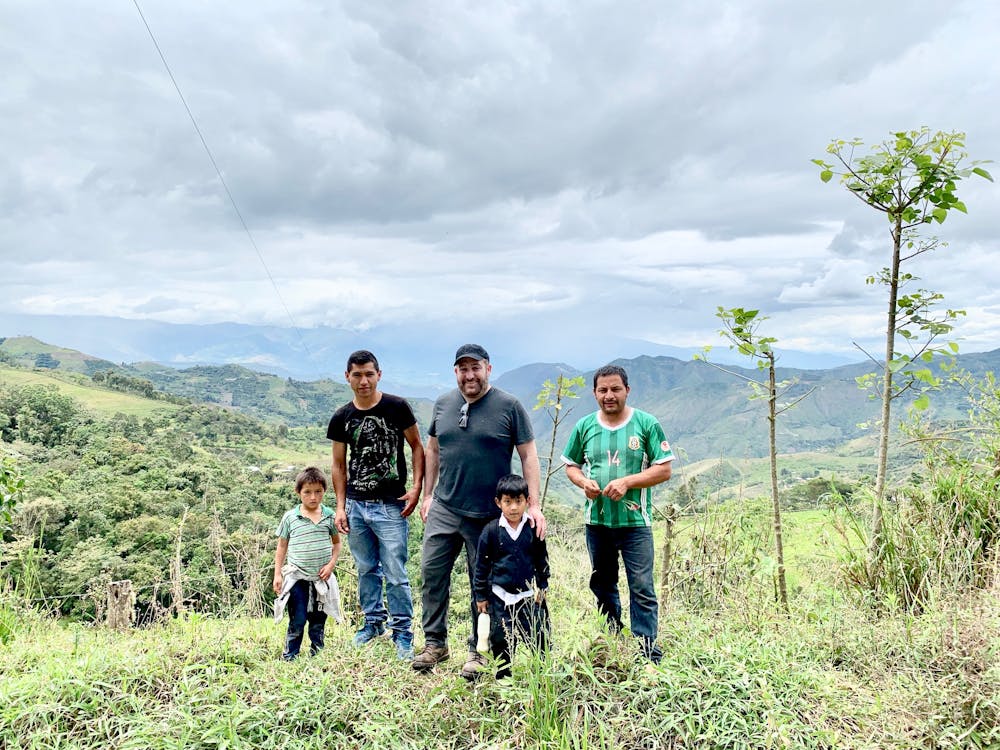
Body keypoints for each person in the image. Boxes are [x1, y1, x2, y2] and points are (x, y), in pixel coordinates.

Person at [413, 344, 546, 678]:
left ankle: (478, 650)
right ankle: (435, 643)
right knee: (431, 573)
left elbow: (528, 455)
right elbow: (433, 450)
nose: (469, 375)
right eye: (463, 369)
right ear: (455, 371)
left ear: (488, 368)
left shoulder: (509, 406)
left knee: (482, 583)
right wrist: (427, 495)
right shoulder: (443, 404)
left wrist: (533, 505)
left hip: (488, 514)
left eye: (475, 368)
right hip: (445, 506)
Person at [561, 364, 674, 663]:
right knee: (602, 582)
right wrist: (583, 482)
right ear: (594, 393)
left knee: (642, 586)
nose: (609, 395)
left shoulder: (646, 423)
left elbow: (664, 469)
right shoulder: (585, 426)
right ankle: (611, 639)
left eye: (615, 389)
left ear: (627, 390)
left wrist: (627, 482)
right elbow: (571, 465)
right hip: (597, 522)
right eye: (603, 390)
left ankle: (647, 651)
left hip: (636, 523)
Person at [328, 350, 425, 661]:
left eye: (369, 374)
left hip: (391, 505)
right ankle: (373, 623)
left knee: (396, 572)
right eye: (357, 375)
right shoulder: (342, 417)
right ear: (347, 377)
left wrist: (416, 488)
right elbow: (338, 464)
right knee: (366, 568)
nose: (364, 381)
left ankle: (403, 633)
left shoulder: (397, 407)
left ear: (379, 375)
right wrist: (340, 506)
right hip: (356, 505)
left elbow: (417, 446)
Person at [473, 474, 550, 680]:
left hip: (528, 596)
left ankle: (542, 678)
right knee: (501, 640)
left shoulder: (532, 529)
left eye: (518, 501)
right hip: (500, 597)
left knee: (539, 635)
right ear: (498, 502)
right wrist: (481, 595)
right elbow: (481, 566)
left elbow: (541, 559)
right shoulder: (491, 531)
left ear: (527, 501)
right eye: (508, 502)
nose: (514, 507)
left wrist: (543, 585)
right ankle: (504, 681)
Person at [273, 466, 343, 660]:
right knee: (298, 618)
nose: (313, 497)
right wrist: (277, 574)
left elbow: (337, 544)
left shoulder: (329, 516)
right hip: (297, 577)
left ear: (324, 491)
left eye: (318, 491)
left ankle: (317, 654)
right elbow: (282, 546)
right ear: (298, 492)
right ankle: (290, 656)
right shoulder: (290, 517)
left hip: (321, 578)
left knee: (318, 619)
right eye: (307, 492)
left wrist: (331, 565)